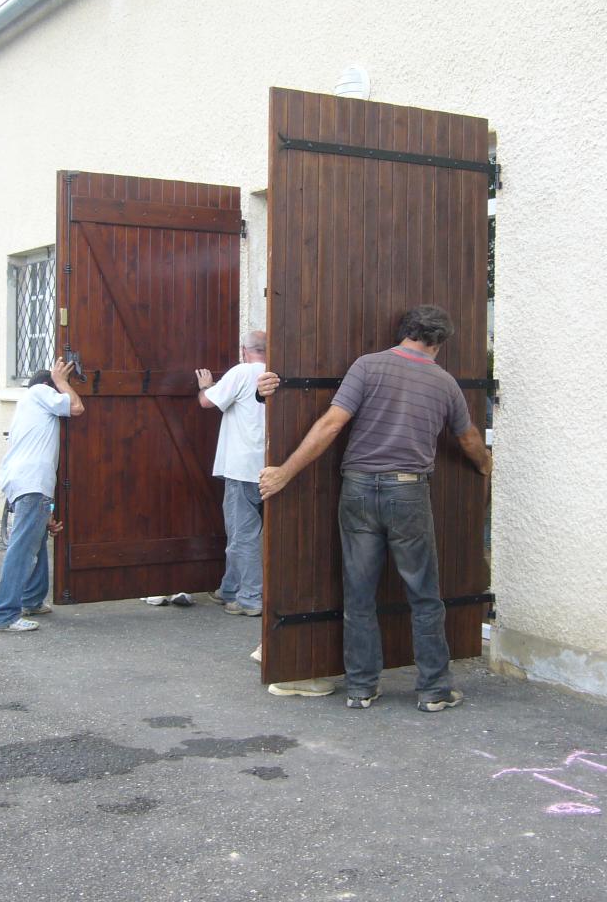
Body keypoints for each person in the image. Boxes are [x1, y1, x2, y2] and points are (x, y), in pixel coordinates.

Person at [258, 305, 492, 711]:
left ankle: (362, 688)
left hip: (359, 490)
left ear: (405, 332)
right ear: (437, 342)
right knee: (423, 594)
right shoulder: (445, 383)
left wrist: (285, 472)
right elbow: (469, 439)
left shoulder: (367, 366)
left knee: (359, 594)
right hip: (408, 493)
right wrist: (487, 466)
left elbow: (331, 424)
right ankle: (434, 690)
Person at [0, 358, 84, 632]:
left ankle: (31, 599)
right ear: (48, 385)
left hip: (28, 483)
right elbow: (76, 407)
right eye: (58, 388)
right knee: (22, 549)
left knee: (37, 541)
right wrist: (62, 381)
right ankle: (3, 615)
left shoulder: (29, 407)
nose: (61, 392)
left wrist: (47, 513)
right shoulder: (39, 392)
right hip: (31, 483)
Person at [196, 330, 268, 617]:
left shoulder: (242, 371)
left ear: (244, 350)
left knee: (242, 533)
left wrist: (206, 385)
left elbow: (206, 402)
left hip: (243, 467)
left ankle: (250, 598)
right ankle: (230, 588)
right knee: (248, 532)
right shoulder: (277, 371)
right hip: (271, 465)